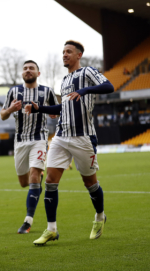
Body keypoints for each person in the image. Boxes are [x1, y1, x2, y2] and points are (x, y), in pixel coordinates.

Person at [24, 40, 114, 245]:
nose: (64, 55)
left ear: (78, 55)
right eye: (63, 52)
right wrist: (40, 109)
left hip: (83, 137)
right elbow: (62, 109)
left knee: (90, 183)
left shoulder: (88, 72)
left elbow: (109, 86)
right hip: (61, 137)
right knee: (50, 182)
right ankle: (51, 229)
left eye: (69, 52)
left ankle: (100, 216)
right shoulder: (64, 80)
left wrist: (83, 91)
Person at [0, 60, 58, 234]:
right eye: (25, 68)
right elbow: (3, 115)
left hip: (39, 138)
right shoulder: (14, 91)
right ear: (22, 73)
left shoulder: (46, 91)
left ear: (38, 73)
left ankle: (27, 221)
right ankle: (37, 179)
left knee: (34, 174)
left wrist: (43, 109)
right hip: (20, 141)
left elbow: (56, 112)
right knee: (24, 182)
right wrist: (10, 109)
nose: (28, 71)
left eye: (31, 68)